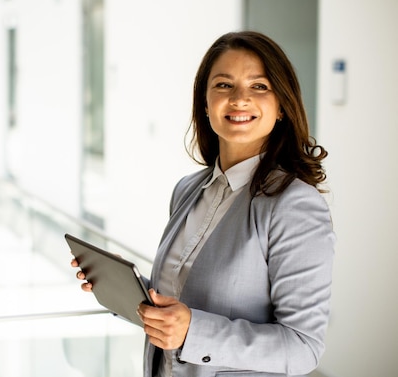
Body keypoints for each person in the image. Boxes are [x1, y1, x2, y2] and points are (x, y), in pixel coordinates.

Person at [72, 31, 335, 377]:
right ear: (205, 103)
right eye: (224, 86)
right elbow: (182, 302)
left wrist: (193, 331)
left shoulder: (295, 205)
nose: (240, 99)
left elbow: (303, 347)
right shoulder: (187, 190)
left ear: (282, 106)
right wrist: (125, 288)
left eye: (259, 87)